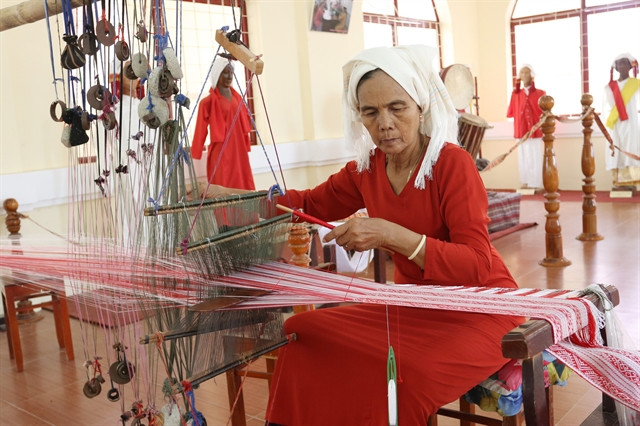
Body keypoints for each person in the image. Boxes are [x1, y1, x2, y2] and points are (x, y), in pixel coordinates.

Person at [203, 45, 524, 424]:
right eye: (370, 112)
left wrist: (390, 234)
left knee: (404, 378)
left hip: (481, 308)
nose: (384, 123)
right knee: (299, 331)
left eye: (396, 108)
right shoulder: (367, 168)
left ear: (420, 106)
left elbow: (475, 266)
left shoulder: (452, 164)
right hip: (412, 305)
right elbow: (305, 203)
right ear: (360, 117)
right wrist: (223, 197)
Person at [192, 57, 256, 190]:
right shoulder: (207, 102)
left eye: (231, 72)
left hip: (239, 152)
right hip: (221, 152)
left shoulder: (239, 99)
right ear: (217, 74)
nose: (229, 76)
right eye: (225, 72)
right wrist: (196, 152)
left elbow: (244, 125)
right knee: (222, 186)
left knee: (242, 185)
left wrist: (246, 144)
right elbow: (200, 129)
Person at [603, 53, 640, 189]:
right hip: (615, 122)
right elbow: (606, 107)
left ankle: (630, 182)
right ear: (616, 67)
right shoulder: (609, 87)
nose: (622, 65)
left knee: (630, 147)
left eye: (625, 63)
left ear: (630, 66)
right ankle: (618, 182)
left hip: (631, 122)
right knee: (616, 149)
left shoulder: (636, 84)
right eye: (620, 63)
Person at [507, 64, 545, 190]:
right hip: (521, 130)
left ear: (531, 75)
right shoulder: (515, 94)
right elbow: (512, 112)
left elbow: (544, 112)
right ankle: (525, 181)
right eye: (522, 72)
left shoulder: (541, 93)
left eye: (527, 72)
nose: (524, 75)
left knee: (535, 155)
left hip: (535, 131)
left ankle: (536, 183)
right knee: (523, 156)